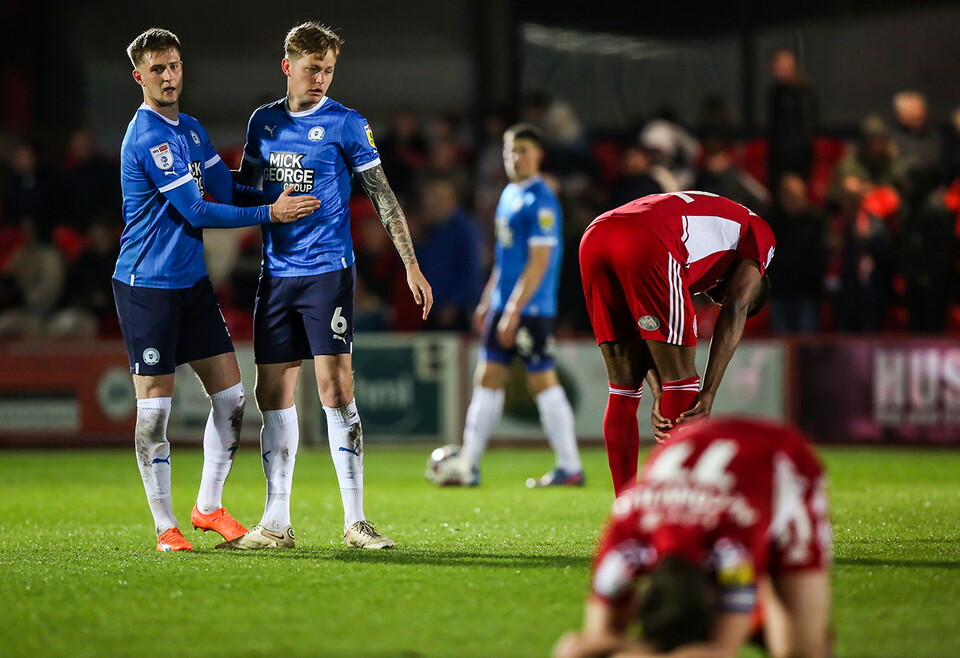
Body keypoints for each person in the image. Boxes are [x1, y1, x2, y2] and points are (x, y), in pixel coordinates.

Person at [221, 22, 433, 550]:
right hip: (276, 274)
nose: (321, 78)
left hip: (326, 271)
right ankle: (275, 523)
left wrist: (410, 263)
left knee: (336, 387)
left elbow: (383, 196)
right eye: (313, 68)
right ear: (287, 65)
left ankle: (356, 521)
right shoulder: (263, 123)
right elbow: (248, 188)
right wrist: (228, 188)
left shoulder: (346, 123)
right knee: (272, 393)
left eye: (329, 70)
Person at [114, 28, 319, 552]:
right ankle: (165, 527)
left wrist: (285, 191)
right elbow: (198, 210)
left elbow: (224, 188)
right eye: (157, 69)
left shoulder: (192, 130)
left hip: (191, 284)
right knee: (154, 411)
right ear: (140, 77)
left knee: (230, 397)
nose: (168, 76)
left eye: (175, 66)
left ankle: (207, 506)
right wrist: (271, 213)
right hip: (147, 286)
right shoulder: (148, 137)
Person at [554, 417, 831, 658]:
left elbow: (721, 652)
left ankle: (761, 619)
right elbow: (585, 643)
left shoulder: (731, 551)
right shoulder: (626, 537)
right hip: (694, 451)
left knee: (797, 650)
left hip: (780, 458)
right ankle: (759, 624)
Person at [579, 191, 775, 496]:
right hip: (649, 238)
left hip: (596, 234)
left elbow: (643, 327)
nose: (718, 301)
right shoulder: (759, 232)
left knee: (623, 388)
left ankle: (626, 509)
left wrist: (657, 390)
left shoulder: (707, 253)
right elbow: (737, 305)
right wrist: (708, 393)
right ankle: (672, 508)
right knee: (683, 383)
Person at [456, 123, 583, 487]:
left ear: (539, 155)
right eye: (510, 150)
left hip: (531, 308)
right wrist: (488, 300)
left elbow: (539, 262)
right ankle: (469, 464)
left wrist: (513, 309)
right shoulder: (510, 193)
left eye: (523, 150)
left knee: (541, 379)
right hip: (504, 304)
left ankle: (569, 465)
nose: (516, 157)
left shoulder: (542, 200)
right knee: (488, 377)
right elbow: (504, 258)